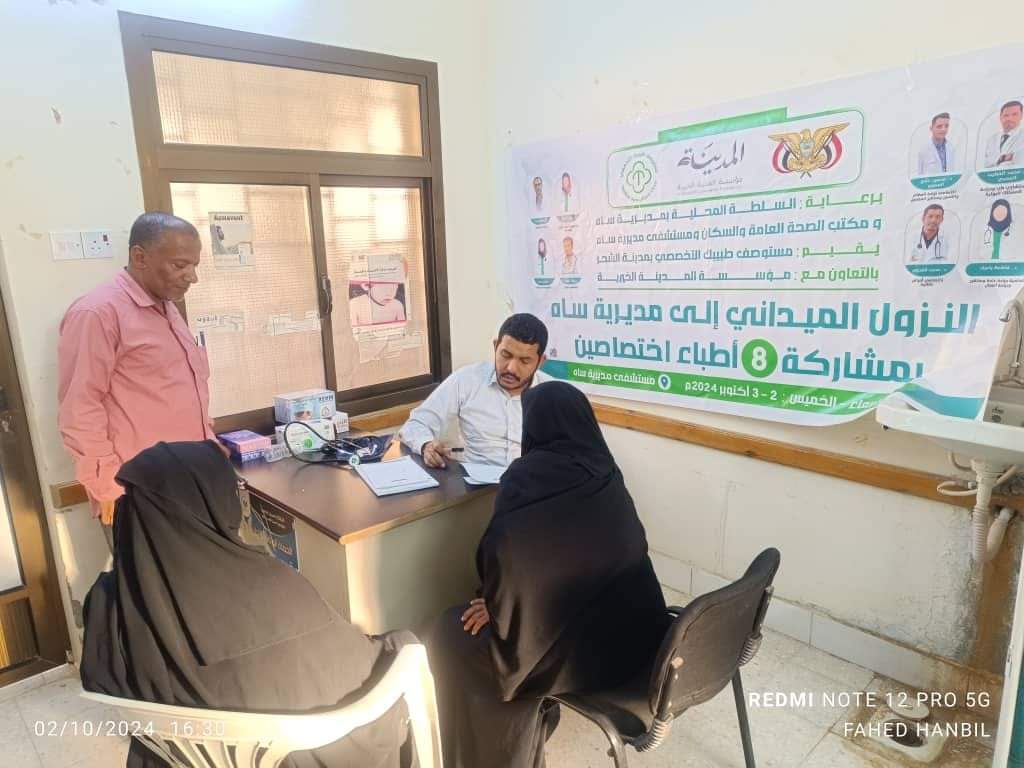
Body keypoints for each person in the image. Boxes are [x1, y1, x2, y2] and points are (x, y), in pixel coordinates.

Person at [79, 440, 413, 768]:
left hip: (184, 756)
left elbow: (102, 682)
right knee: (401, 646)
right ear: (216, 504)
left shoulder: (107, 604)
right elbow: (353, 682)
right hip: (291, 754)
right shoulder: (271, 588)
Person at [423, 382, 670, 768]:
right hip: (642, 644)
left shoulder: (525, 477)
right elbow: (606, 554)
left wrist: (498, 603)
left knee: (450, 632)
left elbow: (502, 554)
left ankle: (486, 751)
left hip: (581, 660)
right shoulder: (607, 470)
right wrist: (506, 599)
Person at [58, 212, 217, 551]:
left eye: (194, 265)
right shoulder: (97, 313)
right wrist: (107, 486)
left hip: (190, 480)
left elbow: (177, 393)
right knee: (150, 581)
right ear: (140, 257)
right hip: (139, 489)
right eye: (180, 265)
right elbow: (80, 407)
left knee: (194, 578)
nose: (192, 277)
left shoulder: (167, 307)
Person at [399, 313, 549, 468]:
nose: (511, 368)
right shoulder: (468, 379)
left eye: (524, 361)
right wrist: (426, 445)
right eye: (506, 355)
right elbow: (415, 424)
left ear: (540, 362)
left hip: (534, 479)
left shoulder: (554, 395)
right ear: (495, 346)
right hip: (477, 479)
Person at [984, 100, 1023, 168]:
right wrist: (1003, 158)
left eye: (1014, 114)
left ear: (1021, 116)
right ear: (1000, 117)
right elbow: (985, 163)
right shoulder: (991, 140)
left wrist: (997, 160)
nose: (1009, 118)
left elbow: (1020, 160)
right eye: (1006, 115)